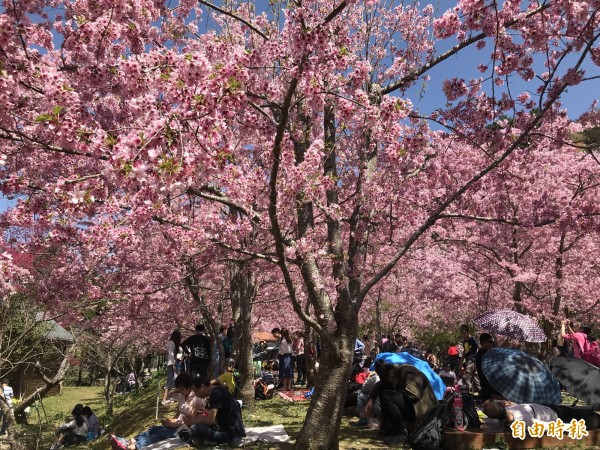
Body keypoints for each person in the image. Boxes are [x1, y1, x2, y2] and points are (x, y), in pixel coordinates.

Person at [109, 373, 205, 450]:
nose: (180, 390)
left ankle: (133, 447)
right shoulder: (181, 396)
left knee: (160, 434)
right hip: (178, 423)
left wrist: (175, 425)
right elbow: (178, 413)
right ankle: (129, 441)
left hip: (185, 427)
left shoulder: (196, 398)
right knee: (154, 429)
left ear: (188, 387)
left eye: (182, 388)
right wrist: (172, 420)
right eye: (179, 388)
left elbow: (193, 418)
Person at [365, 363, 438, 445]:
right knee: (385, 393)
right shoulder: (396, 374)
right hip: (412, 408)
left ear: (391, 374)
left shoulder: (409, 373)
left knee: (388, 395)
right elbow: (380, 384)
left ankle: (400, 433)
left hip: (422, 412)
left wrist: (397, 390)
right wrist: (371, 399)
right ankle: (389, 429)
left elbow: (414, 395)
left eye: (387, 379)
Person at [179, 376, 246, 447]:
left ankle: (193, 440)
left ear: (202, 387)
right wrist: (193, 418)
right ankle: (197, 439)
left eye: (196, 391)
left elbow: (210, 420)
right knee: (197, 427)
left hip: (232, 436)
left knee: (198, 427)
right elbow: (207, 414)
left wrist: (193, 421)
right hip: (230, 431)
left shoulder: (216, 394)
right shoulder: (217, 392)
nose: (196, 395)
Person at [483, 399, 600, 429]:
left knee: (583, 413)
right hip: (556, 416)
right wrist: (571, 427)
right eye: (497, 402)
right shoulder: (521, 421)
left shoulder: (509, 408)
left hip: (548, 408)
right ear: (499, 407)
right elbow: (547, 427)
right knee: (592, 419)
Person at [475, 333, 503, 401]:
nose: (492, 344)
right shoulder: (483, 354)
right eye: (490, 342)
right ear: (483, 342)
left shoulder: (484, 353)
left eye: (492, 342)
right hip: (489, 389)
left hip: (490, 388)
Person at [459, 324, 479, 393]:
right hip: (468, 361)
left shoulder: (473, 339)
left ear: (468, 332)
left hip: (473, 360)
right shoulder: (465, 341)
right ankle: (476, 392)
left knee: (467, 376)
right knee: (472, 378)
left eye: (464, 333)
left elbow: (479, 348)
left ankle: (472, 391)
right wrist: (460, 363)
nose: (463, 335)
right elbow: (464, 352)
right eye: (461, 333)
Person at [163, 329, 181, 405]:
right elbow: (171, 355)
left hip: (172, 364)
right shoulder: (172, 343)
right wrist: (173, 364)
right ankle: (164, 400)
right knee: (170, 382)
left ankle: (172, 397)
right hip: (171, 365)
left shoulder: (172, 343)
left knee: (175, 381)